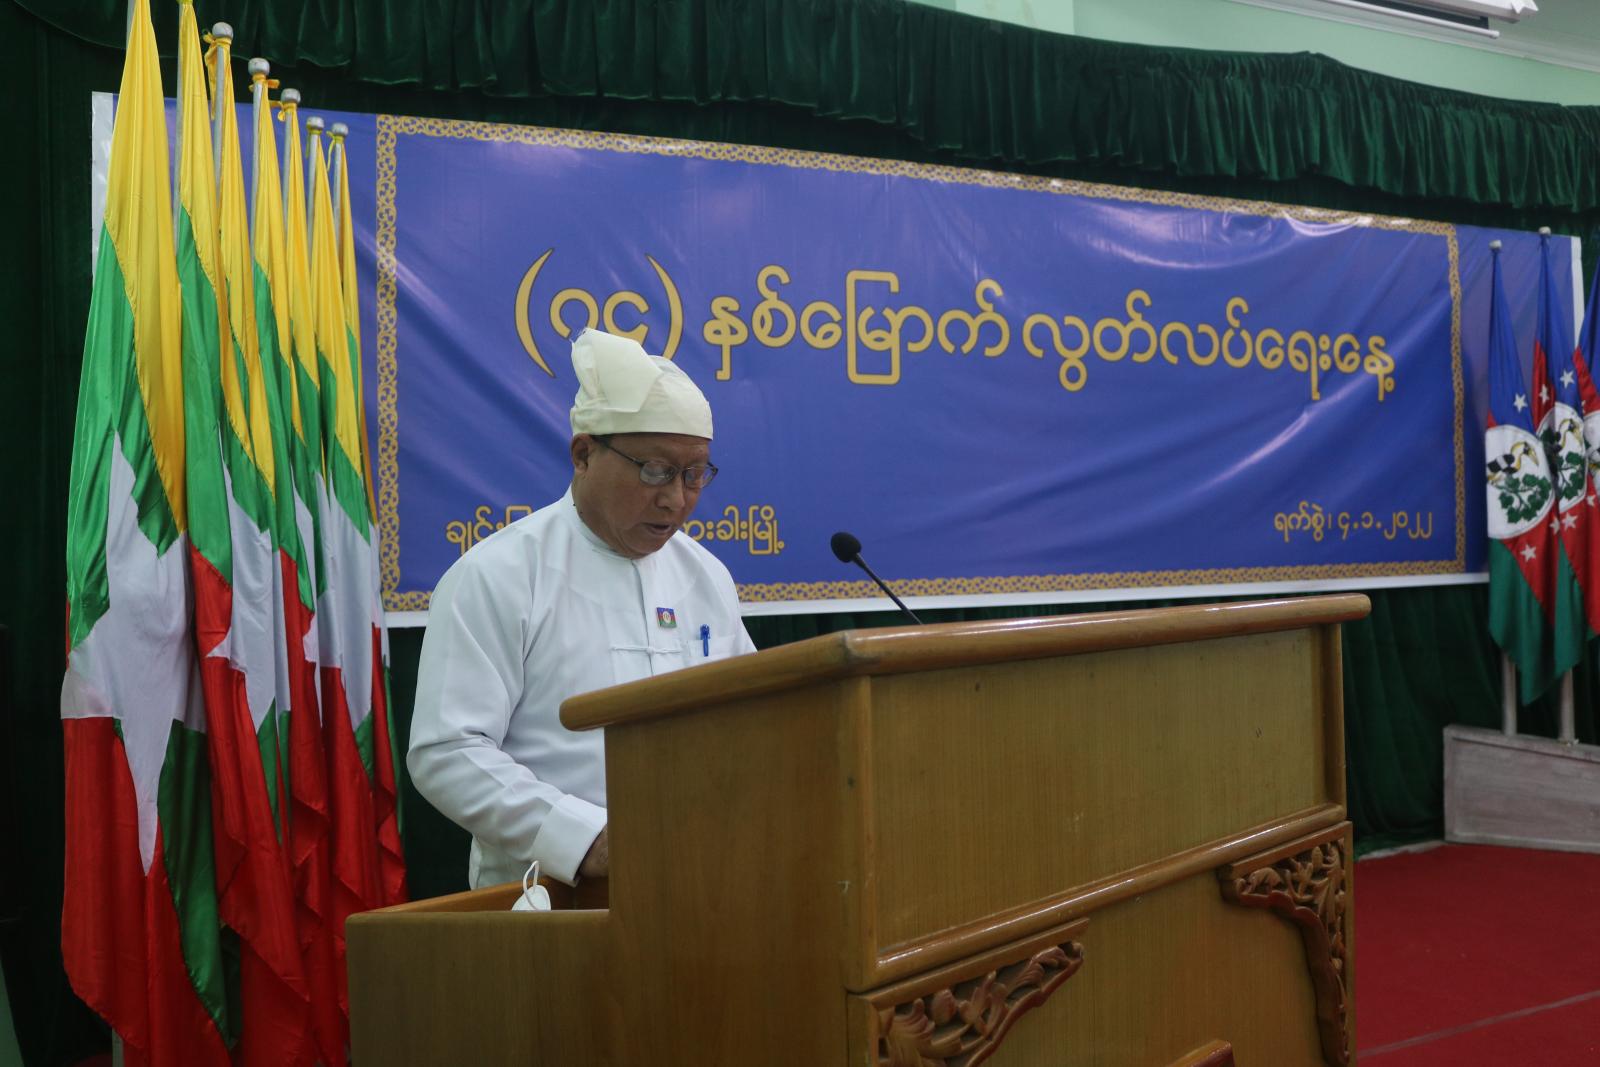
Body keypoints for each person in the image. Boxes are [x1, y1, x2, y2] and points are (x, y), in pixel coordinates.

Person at [408, 328, 756, 889]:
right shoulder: (500, 573)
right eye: (655, 470)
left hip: (702, 883)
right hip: (551, 900)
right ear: (584, 454)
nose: (675, 498)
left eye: (694, 476)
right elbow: (447, 752)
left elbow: (755, 722)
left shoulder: (706, 576)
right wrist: (584, 839)